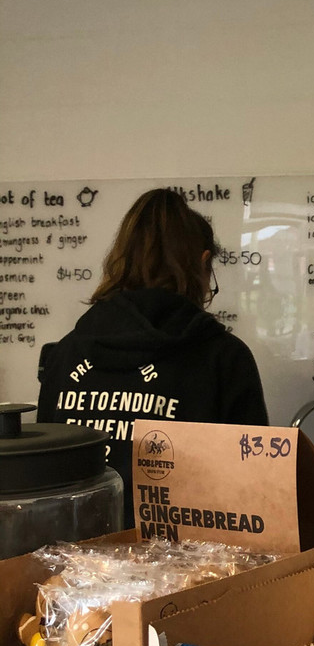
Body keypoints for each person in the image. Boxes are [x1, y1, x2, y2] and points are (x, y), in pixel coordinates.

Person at [36, 188, 269, 528]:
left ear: (120, 260)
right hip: (185, 559)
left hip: (71, 557)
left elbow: (43, 484)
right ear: (203, 262)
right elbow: (254, 490)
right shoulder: (225, 358)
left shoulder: (64, 354)